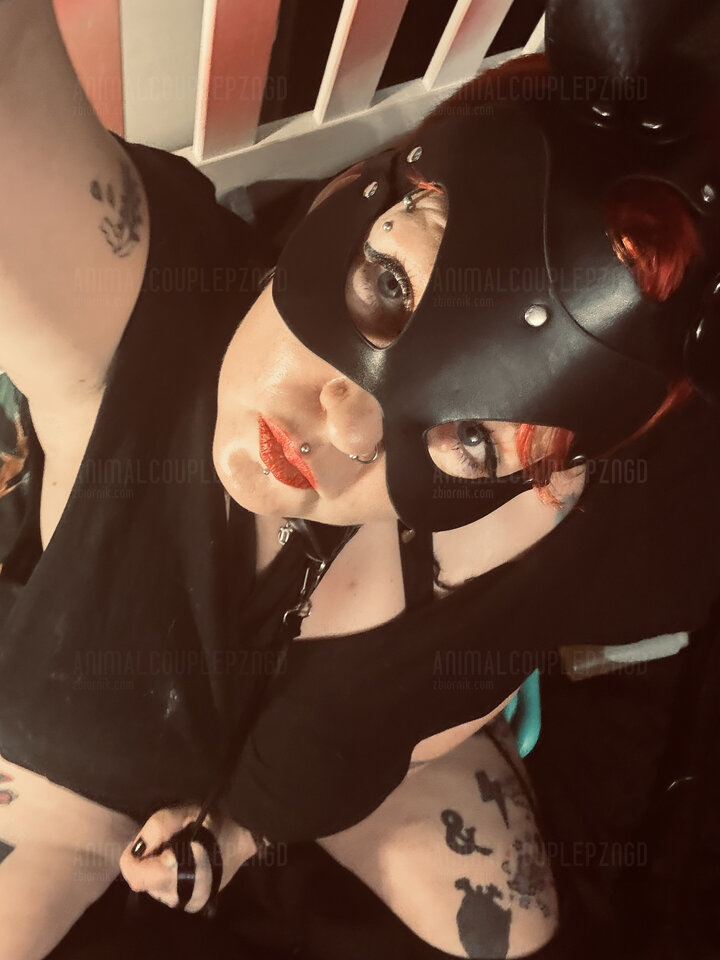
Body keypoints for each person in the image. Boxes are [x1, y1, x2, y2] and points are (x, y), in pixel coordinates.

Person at [1, 1, 719, 958]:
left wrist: (244, 833)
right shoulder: (137, 312)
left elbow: (477, 665)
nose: (342, 427)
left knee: (509, 929)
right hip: (83, 763)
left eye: (472, 438)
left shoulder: (533, 532)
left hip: (363, 751)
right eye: (388, 284)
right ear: (353, 192)